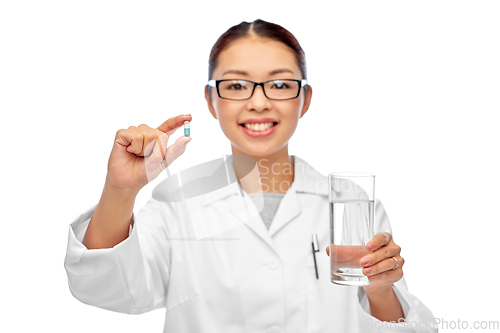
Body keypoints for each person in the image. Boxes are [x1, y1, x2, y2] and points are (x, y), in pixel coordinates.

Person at [64, 19, 437, 332]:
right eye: (237, 85)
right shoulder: (177, 201)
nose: (258, 102)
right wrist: (120, 190)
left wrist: (381, 289)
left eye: (279, 84)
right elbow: (104, 289)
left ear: (304, 99)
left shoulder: (349, 201)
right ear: (211, 101)